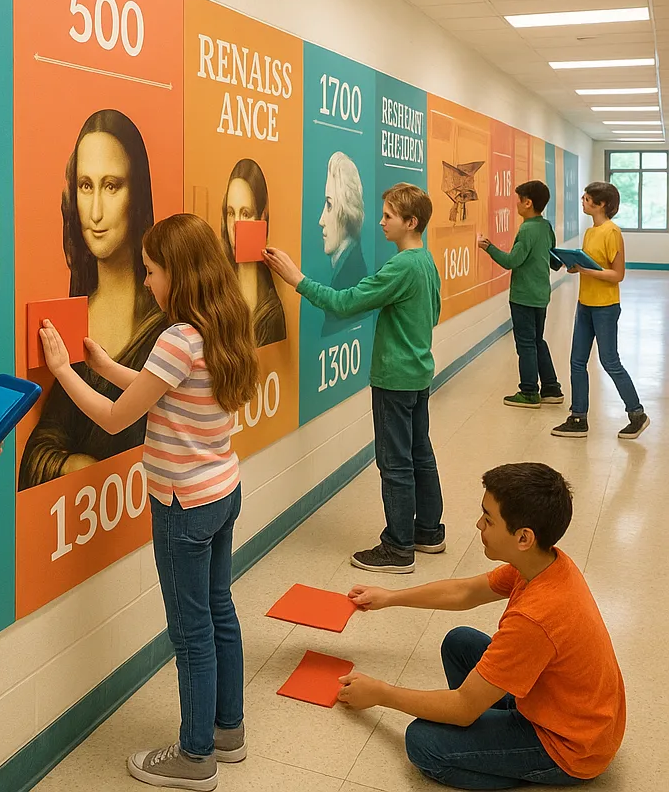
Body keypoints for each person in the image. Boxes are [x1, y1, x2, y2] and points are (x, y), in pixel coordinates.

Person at [39, 213, 259, 790]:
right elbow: (152, 383)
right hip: (222, 490)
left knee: (190, 632)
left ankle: (195, 755)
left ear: (179, 275)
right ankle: (227, 731)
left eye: (153, 271)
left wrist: (62, 370)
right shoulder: (223, 323)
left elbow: (116, 416)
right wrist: (101, 363)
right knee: (219, 611)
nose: (147, 282)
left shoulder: (177, 338)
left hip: (181, 505)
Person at [339, 462, 626, 790]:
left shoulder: (536, 618)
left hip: (569, 747)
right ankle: (495, 729)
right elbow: (465, 591)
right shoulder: (542, 563)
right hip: (569, 708)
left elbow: (462, 708)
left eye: (488, 519)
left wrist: (380, 693)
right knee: (459, 641)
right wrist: (389, 596)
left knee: (422, 741)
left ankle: (514, 768)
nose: (479, 524)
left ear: (523, 537)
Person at [264, 183, 443, 574]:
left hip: (395, 379)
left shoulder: (401, 266)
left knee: (394, 463)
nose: (380, 222)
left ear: (410, 222)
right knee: (419, 453)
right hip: (418, 374)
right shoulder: (425, 262)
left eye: (389, 216)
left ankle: (398, 549)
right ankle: (428, 531)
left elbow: (344, 303)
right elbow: (433, 313)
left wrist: (297, 279)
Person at [19, 110, 166, 489]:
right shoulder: (74, 312)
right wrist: (73, 465)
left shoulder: (164, 320)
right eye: (86, 186)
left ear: (137, 194)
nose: (96, 213)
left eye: (112, 185)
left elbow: (127, 416)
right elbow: (46, 439)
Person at [551, 181, 649, 439]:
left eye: (587, 198)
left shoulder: (612, 232)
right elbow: (591, 265)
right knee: (576, 362)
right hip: (585, 304)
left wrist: (586, 270)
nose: (582, 200)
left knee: (610, 361)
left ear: (601, 204)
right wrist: (575, 265)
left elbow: (617, 274)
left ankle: (637, 414)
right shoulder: (590, 231)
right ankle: (578, 418)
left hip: (605, 307)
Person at [477, 180, 563, 409]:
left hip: (523, 297)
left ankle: (529, 391)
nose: (515, 204)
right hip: (541, 295)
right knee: (538, 341)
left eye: (519, 200)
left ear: (528, 203)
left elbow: (511, 261)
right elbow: (554, 259)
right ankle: (552, 388)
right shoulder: (545, 227)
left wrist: (488, 247)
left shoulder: (526, 229)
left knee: (525, 344)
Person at [221, 158, 286, 347]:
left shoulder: (271, 311)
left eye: (246, 213)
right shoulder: (216, 293)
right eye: (230, 213)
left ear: (262, 218)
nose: (235, 226)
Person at [318, 152, 369, 338]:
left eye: (329, 205)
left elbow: (339, 303)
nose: (321, 220)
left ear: (347, 211)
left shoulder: (350, 276)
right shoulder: (349, 269)